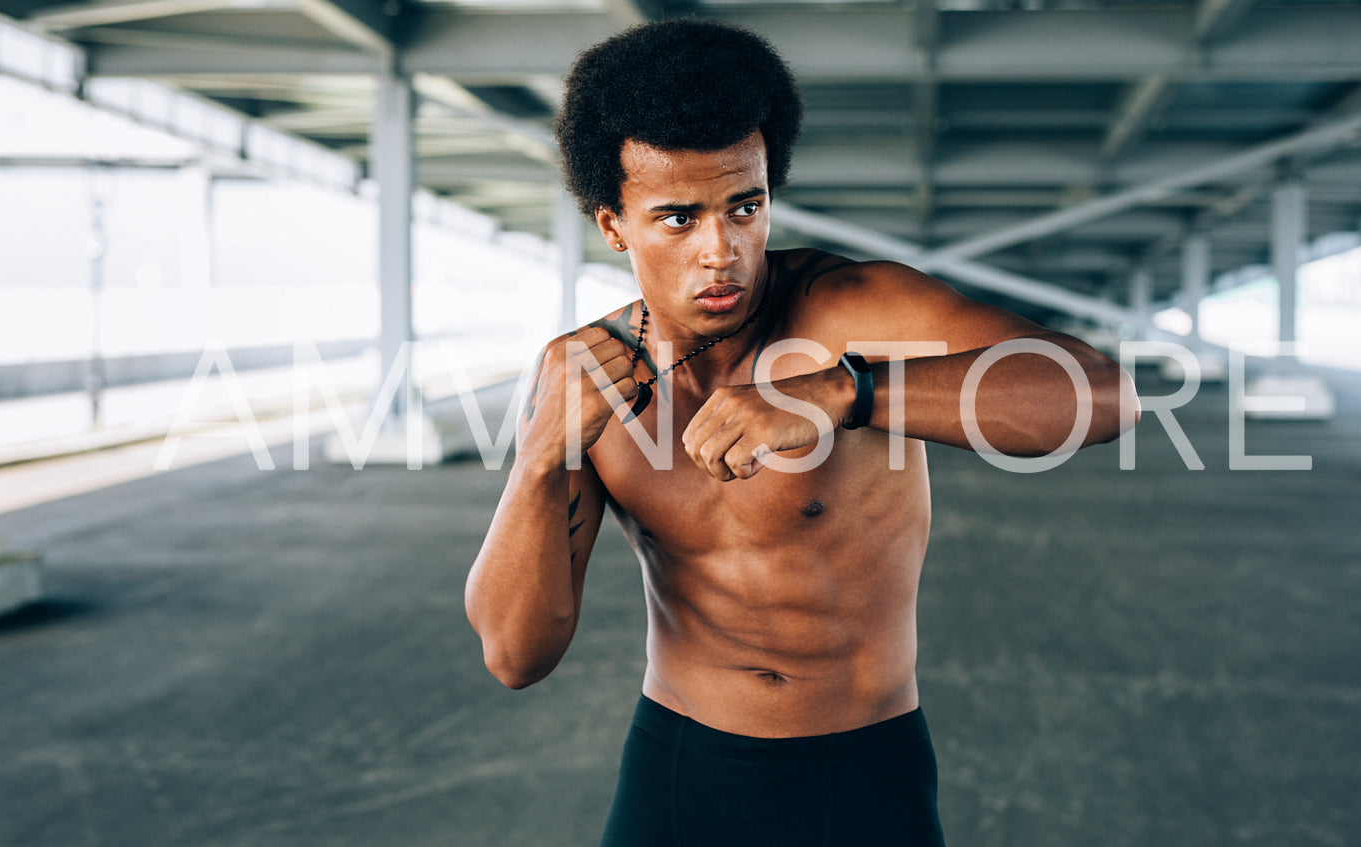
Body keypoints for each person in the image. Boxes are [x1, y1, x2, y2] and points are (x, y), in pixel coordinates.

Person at [465, 18, 1140, 846]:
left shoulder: (851, 309)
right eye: (678, 219)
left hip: (858, 772)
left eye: (743, 207)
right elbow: (514, 654)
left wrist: (843, 391)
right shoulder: (586, 375)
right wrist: (538, 458)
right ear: (613, 224)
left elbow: (1103, 394)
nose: (722, 251)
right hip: (679, 765)